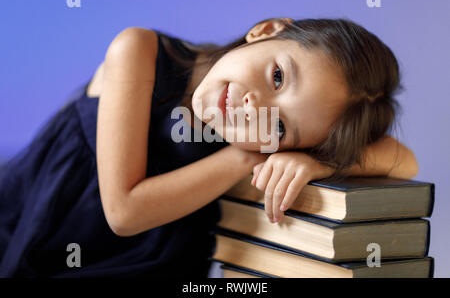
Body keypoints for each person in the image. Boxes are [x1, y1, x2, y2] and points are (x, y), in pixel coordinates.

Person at [0, 17, 418, 278]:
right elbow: (124, 212)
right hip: (38, 227)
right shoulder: (141, 49)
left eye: (278, 124)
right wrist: (248, 154)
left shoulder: (267, 138)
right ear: (266, 31)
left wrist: (314, 162)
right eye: (277, 77)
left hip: (158, 264)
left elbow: (405, 161)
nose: (254, 107)